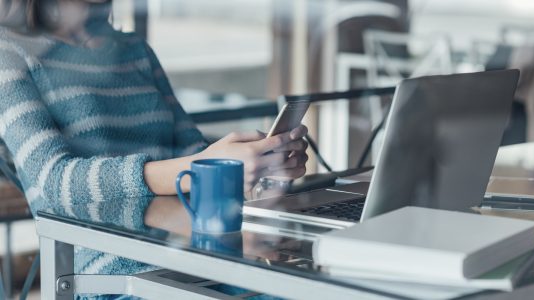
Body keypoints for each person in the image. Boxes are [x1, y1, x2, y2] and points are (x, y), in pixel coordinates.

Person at [0, 0, 307, 298]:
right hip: (113, 278)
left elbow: (193, 152)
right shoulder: (9, 52)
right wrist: (198, 170)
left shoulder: (136, 49)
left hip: (202, 260)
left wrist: (261, 174)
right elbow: (56, 182)